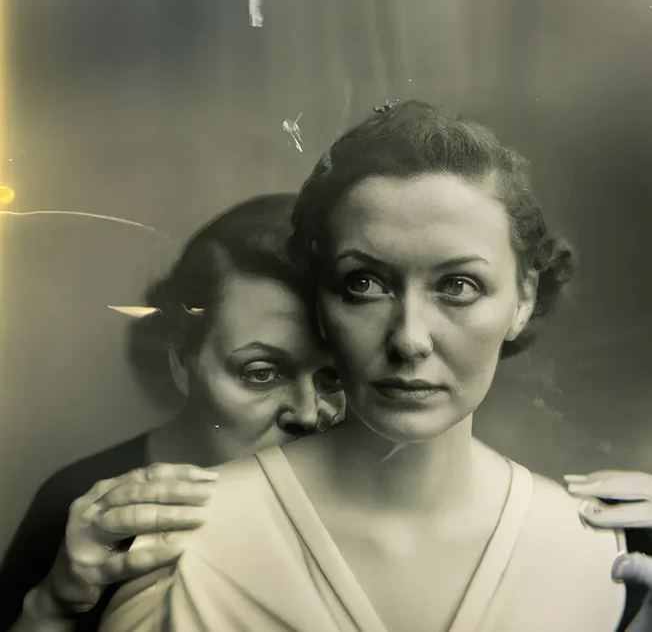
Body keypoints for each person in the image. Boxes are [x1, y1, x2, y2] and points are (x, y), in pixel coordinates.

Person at [99, 101, 650, 632]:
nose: (409, 339)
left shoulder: (598, 549)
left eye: (458, 286)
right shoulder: (183, 547)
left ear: (523, 299)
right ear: (321, 301)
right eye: (364, 284)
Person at [1, 193, 346, 632]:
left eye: (335, 376)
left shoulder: (385, 498)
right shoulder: (79, 503)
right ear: (182, 361)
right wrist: (53, 604)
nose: (309, 413)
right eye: (261, 373)